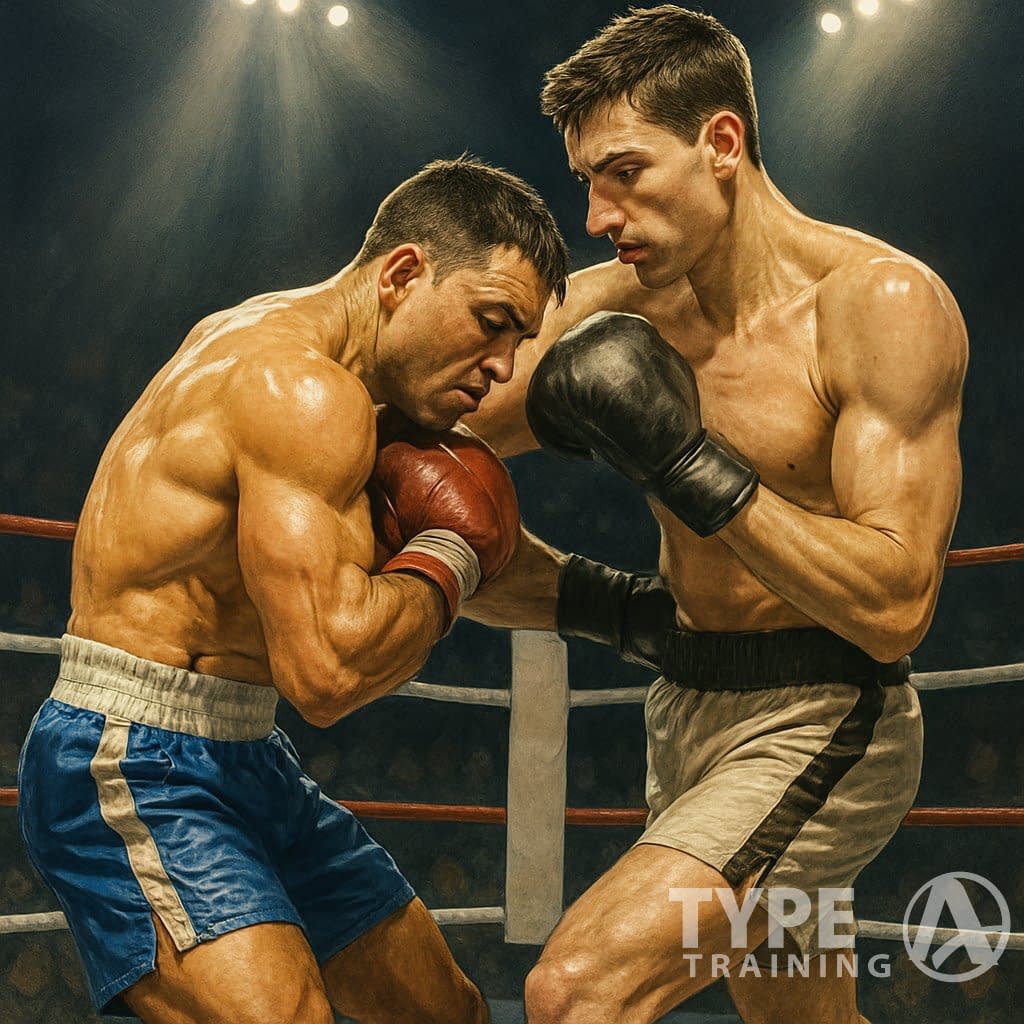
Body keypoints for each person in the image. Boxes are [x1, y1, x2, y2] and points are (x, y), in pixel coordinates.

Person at [463, 7, 968, 1023]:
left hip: (827, 714)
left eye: (626, 172)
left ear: (721, 143)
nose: (599, 214)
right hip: (684, 701)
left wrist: (691, 463)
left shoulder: (876, 304)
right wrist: (613, 607)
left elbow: (895, 602)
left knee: (576, 991)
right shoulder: (617, 308)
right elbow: (426, 416)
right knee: (797, 1014)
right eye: (586, 185)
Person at [17, 156, 569, 1024]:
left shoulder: (277, 339)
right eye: (490, 322)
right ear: (402, 273)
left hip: (245, 753)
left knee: (447, 1012)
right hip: (131, 755)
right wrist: (454, 555)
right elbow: (329, 674)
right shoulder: (305, 391)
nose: (502, 367)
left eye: (517, 341)